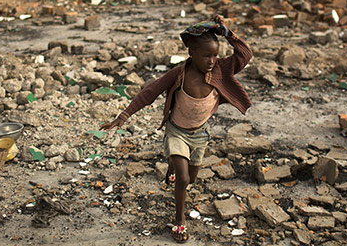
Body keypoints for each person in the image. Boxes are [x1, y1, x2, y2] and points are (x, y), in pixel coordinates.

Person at [101, 15, 253, 243]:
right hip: (177, 131)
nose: (212, 60)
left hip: (199, 134)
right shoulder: (180, 74)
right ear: (191, 53)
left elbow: (245, 55)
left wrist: (229, 34)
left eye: (215, 55)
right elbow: (150, 92)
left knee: (191, 178)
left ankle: (173, 164)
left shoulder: (221, 69)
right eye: (206, 56)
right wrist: (124, 115)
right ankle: (179, 219)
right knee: (182, 179)